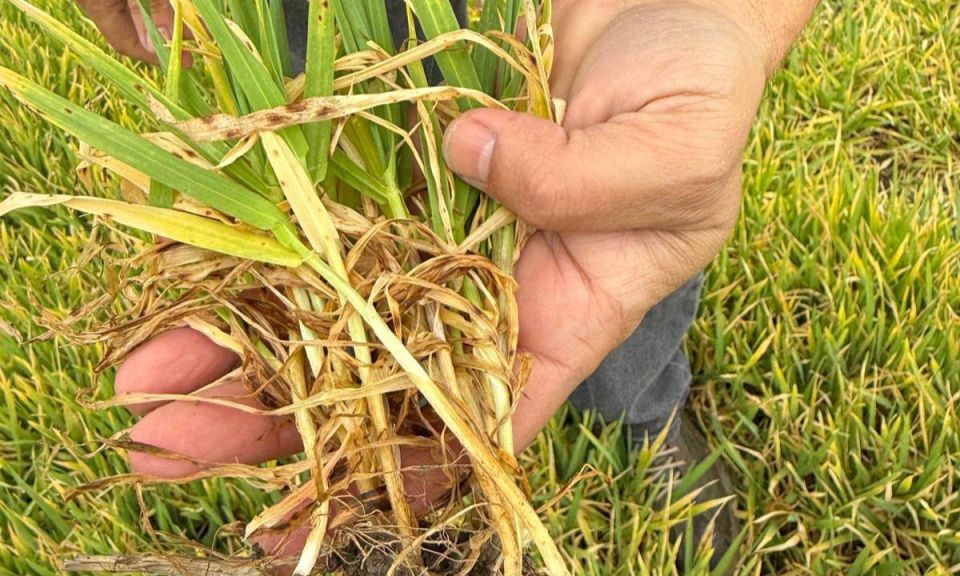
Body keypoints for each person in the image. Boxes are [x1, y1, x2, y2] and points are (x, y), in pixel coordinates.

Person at [76, 0, 819, 565]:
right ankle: (376, 450)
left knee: (610, 222)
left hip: (563, 26)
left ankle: (643, 416)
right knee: (316, 129)